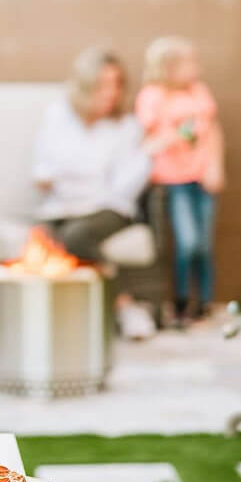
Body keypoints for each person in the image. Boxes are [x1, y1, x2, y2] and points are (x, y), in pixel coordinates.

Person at [33, 46, 157, 339]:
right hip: (62, 206)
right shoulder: (58, 116)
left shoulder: (125, 127)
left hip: (109, 207)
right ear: (85, 85)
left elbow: (122, 187)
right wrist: (71, 175)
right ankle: (72, 318)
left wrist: (147, 155)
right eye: (103, 85)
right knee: (44, 240)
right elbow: (42, 172)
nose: (111, 92)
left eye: (117, 84)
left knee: (76, 237)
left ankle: (124, 306)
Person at [135, 36, 224, 324]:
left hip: (202, 179)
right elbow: (146, 143)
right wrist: (174, 136)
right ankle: (182, 302)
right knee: (187, 243)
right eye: (189, 62)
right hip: (174, 182)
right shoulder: (153, 96)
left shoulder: (199, 92)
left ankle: (206, 304)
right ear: (168, 67)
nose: (195, 68)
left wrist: (215, 166)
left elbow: (211, 131)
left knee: (205, 245)